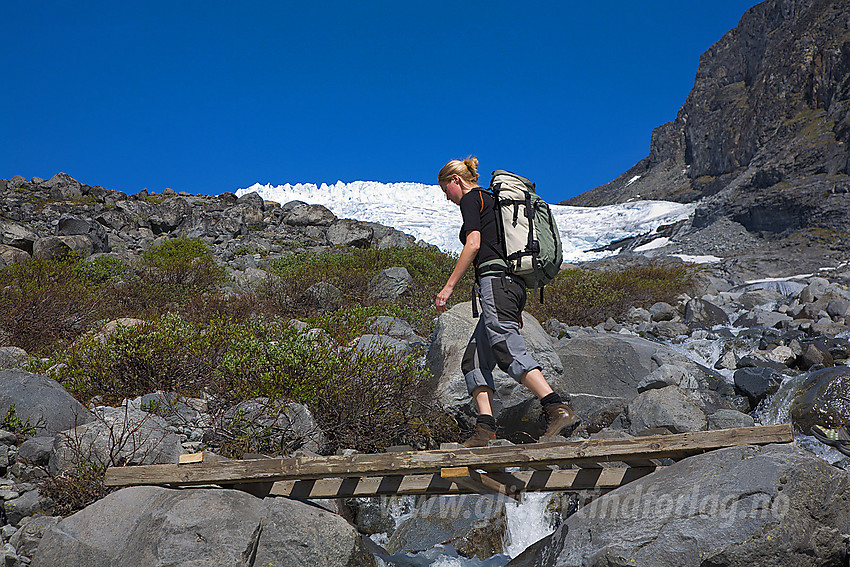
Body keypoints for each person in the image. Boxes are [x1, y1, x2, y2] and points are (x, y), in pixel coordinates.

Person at [435, 156, 579, 447]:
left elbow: (473, 243)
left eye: (444, 190)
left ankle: (556, 407)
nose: (446, 197)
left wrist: (448, 287)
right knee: (474, 359)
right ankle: (485, 430)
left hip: (496, 285)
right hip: (509, 287)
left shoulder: (471, 199)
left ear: (454, 180)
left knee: (506, 350)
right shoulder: (491, 201)